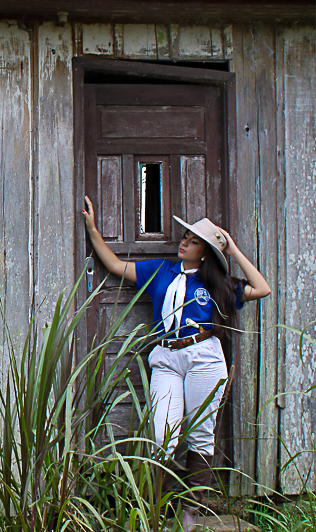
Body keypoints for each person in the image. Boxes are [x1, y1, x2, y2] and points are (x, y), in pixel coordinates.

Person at [81, 195, 271, 531]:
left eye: (194, 240)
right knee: (161, 435)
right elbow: (114, 265)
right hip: (166, 357)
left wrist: (233, 250)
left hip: (204, 358)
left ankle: (190, 514)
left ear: (207, 252)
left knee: (200, 436)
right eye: (185, 237)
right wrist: (93, 229)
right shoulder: (160, 270)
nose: (184, 242)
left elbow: (262, 288)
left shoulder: (218, 284)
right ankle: (155, 512)